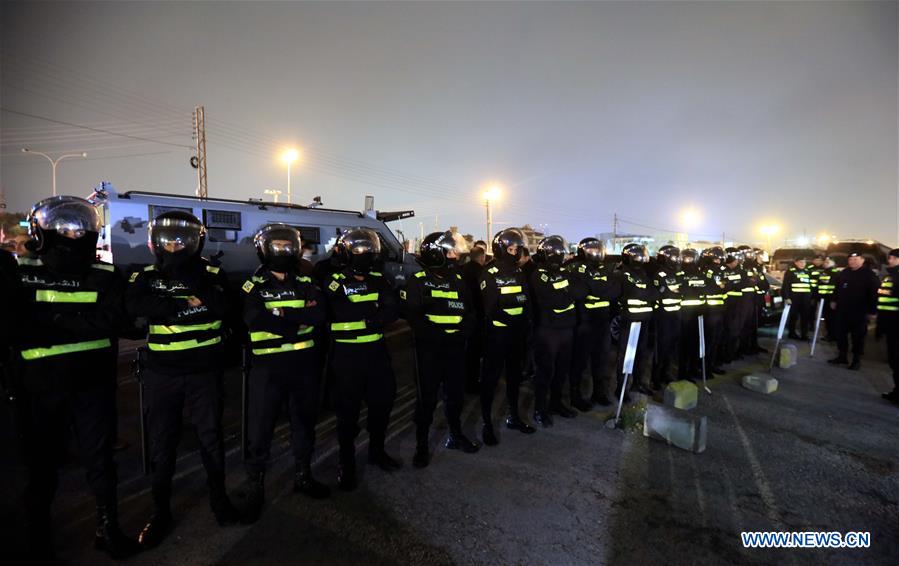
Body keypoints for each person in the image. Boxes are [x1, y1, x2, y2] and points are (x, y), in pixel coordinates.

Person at [13, 196, 141, 561]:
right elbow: (13, 326)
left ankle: (106, 528)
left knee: (94, 462)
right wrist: (78, 325)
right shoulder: (16, 271)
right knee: (42, 468)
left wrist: (48, 323)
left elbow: (112, 321)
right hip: (49, 388)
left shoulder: (102, 274)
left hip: (80, 386)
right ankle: (41, 538)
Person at [126, 211, 241, 547]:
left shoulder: (212, 272)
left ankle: (220, 501)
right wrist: (183, 302)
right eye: (169, 240)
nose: (175, 246)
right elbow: (135, 306)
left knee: (211, 439)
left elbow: (222, 307)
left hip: (204, 373)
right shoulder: (142, 275)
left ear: (195, 242)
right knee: (163, 445)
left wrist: (185, 289)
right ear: (156, 243)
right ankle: (160, 512)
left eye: (182, 240)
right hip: (163, 375)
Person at [241, 224, 329, 524]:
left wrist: (279, 315)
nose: (282, 251)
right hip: (268, 369)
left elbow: (318, 315)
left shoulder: (307, 280)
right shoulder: (252, 284)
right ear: (264, 249)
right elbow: (254, 318)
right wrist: (296, 321)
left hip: (303, 366)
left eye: (286, 246)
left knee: (304, 423)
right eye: (276, 246)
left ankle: (303, 475)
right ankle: (256, 484)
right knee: (260, 429)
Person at [323, 228, 401, 490]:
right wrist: (372, 313)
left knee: (383, 403)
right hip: (347, 357)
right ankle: (346, 464)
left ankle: (376, 452)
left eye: (369, 250)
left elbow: (392, 309)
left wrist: (371, 317)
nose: (365, 255)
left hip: (377, 354)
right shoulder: (332, 280)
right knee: (347, 413)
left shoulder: (380, 279)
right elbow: (338, 312)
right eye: (360, 250)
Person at [402, 231, 480, 468]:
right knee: (426, 399)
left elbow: (470, 312)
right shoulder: (417, 281)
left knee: (455, 395)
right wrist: (439, 335)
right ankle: (422, 446)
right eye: (451, 251)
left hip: (455, 349)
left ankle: (455, 435)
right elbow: (414, 316)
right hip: (429, 350)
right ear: (437, 253)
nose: (455, 256)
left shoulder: (459, 280)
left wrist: (463, 332)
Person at [479, 228, 535, 445]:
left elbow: (526, 301)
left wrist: (526, 325)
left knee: (514, 378)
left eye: (517, 249)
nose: (515, 253)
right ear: (502, 249)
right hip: (498, 335)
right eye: (511, 249)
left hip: (516, 336)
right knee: (490, 380)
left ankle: (514, 417)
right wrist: (515, 323)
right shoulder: (489, 273)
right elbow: (491, 309)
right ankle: (487, 424)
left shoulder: (519, 272)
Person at [529, 235, 580, 426]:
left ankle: (556, 404)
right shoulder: (538, 274)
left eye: (561, 253)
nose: (559, 257)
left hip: (566, 328)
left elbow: (580, 291)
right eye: (556, 253)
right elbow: (552, 299)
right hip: (548, 330)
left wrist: (564, 293)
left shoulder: (565, 272)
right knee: (545, 371)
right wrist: (567, 293)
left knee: (562, 371)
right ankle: (540, 410)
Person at [567, 237, 619, 408]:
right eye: (593, 250)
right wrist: (600, 288)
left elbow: (615, 290)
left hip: (603, 323)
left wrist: (596, 288)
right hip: (584, 322)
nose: (597, 253)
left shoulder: (606, 269)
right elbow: (582, 291)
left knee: (601, 360)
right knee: (580, 362)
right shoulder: (576, 268)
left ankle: (599, 393)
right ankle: (575, 396)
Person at [613, 243, 658, 397]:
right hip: (630, 320)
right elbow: (635, 292)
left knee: (642, 354)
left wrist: (643, 292)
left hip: (644, 320)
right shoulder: (622, 273)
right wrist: (644, 292)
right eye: (637, 257)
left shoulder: (643, 273)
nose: (640, 260)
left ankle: (637, 384)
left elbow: (653, 294)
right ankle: (621, 389)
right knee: (626, 355)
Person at [828, 252, 879, 370]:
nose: (853, 261)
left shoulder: (869, 275)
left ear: (862, 260)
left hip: (860, 312)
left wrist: (872, 311)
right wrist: (833, 300)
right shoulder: (844, 273)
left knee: (858, 337)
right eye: (851, 259)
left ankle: (856, 360)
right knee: (840, 334)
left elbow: (873, 295)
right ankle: (842, 356)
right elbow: (836, 288)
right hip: (842, 310)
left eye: (856, 259)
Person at [649, 245, 682, 388]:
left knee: (670, 347)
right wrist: (676, 289)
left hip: (675, 315)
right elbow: (669, 291)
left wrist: (677, 289)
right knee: (661, 348)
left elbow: (682, 289)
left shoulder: (675, 272)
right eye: (674, 257)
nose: (677, 260)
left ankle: (665, 374)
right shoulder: (660, 273)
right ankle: (655, 379)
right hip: (663, 316)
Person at [677, 248, 711, 381]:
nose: (687, 260)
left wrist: (691, 286)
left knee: (696, 345)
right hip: (684, 315)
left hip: (698, 314)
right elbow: (681, 289)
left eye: (690, 258)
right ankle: (682, 374)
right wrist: (695, 286)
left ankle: (692, 370)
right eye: (686, 258)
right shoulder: (679, 273)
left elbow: (709, 288)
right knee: (684, 347)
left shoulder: (700, 273)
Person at [461, 246, 487, 394]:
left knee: (467, 352)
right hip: (477, 317)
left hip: (464, 316)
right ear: (482, 257)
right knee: (475, 353)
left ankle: (465, 381)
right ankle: (472, 383)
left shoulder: (463, 270)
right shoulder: (480, 272)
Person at [699, 246, 729, 375]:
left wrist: (721, 286)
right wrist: (720, 287)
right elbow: (709, 288)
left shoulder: (721, 270)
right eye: (716, 258)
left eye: (720, 258)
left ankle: (712, 365)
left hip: (720, 309)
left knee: (717, 339)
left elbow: (728, 285)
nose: (719, 261)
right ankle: (705, 367)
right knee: (709, 340)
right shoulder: (707, 271)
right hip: (710, 310)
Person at [877, 249, 899, 403]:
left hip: (897, 325)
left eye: (891, 258)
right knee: (894, 361)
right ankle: (897, 391)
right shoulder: (890, 276)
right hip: (890, 324)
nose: (889, 260)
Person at [722, 247, 748, 362]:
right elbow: (725, 286)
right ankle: (726, 355)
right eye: (734, 260)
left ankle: (732, 353)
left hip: (738, 305)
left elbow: (745, 283)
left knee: (736, 330)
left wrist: (732, 284)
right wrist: (733, 284)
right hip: (727, 305)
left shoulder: (741, 271)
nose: (736, 262)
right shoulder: (723, 271)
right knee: (728, 331)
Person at [783, 257, 812, 340]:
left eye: (804, 262)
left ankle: (804, 335)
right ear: (796, 263)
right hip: (794, 298)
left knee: (805, 317)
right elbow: (786, 285)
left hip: (805, 299)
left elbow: (811, 285)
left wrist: (811, 296)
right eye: (801, 262)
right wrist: (787, 297)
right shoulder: (790, 272)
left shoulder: (807, 271)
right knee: (793, 317)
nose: (803, 264)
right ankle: (792, 333)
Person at [817, 257, 840, 340]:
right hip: (824, 298)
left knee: (832, 318)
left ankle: (833, 335)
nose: (825, 263)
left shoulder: (835, 272)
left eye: (828, 262)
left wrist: (834, 300)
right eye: (825, 262)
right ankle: (829, 334)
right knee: (827, 318)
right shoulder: (824, 272)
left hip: (831, 299)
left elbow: (836, 287)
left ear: (833, 263)